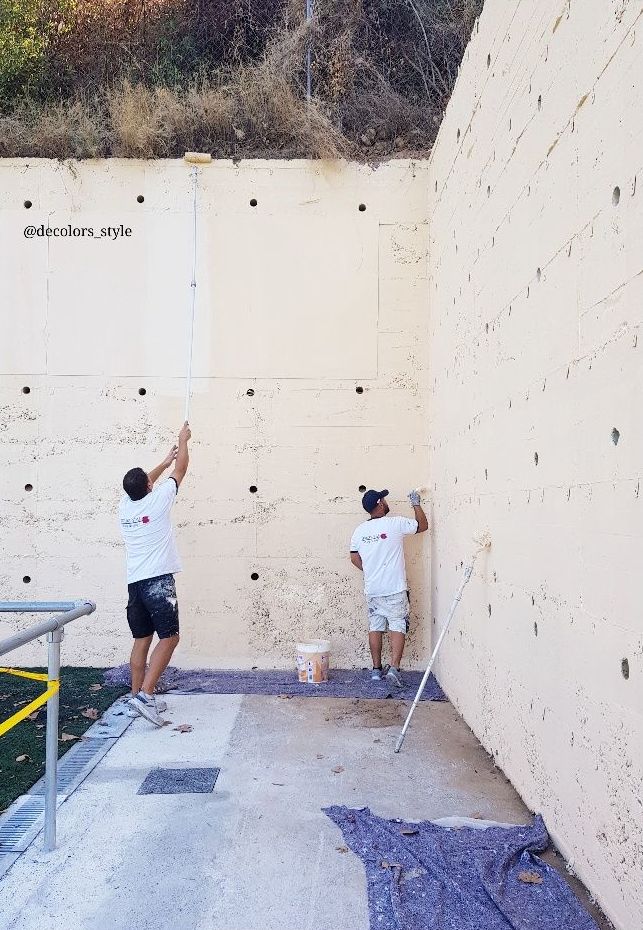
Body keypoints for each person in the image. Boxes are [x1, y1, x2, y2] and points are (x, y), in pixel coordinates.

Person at [118, 421, 191, 726]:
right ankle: (147, 694)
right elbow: (182, 470)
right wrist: (182, 442)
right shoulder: (159, 501)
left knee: (141, 641)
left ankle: (135, 697)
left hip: (135, 585)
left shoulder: (125, 506)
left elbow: (144, 481)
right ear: (148, 487)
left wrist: (163, 460)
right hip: (157, 583)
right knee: (170, 638)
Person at [350, 488, 428, 687]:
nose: (386, 501)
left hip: (373, 589)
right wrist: (416, 503)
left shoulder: (359, 531)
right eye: (383, 499)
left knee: (375, 626)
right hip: (394, 588)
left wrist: (370, 572)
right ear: (379, 504)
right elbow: (422, 526)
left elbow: (354, 557)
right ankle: (394, 668)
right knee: (397, 625)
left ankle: (376, 671)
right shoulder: (395, 524)